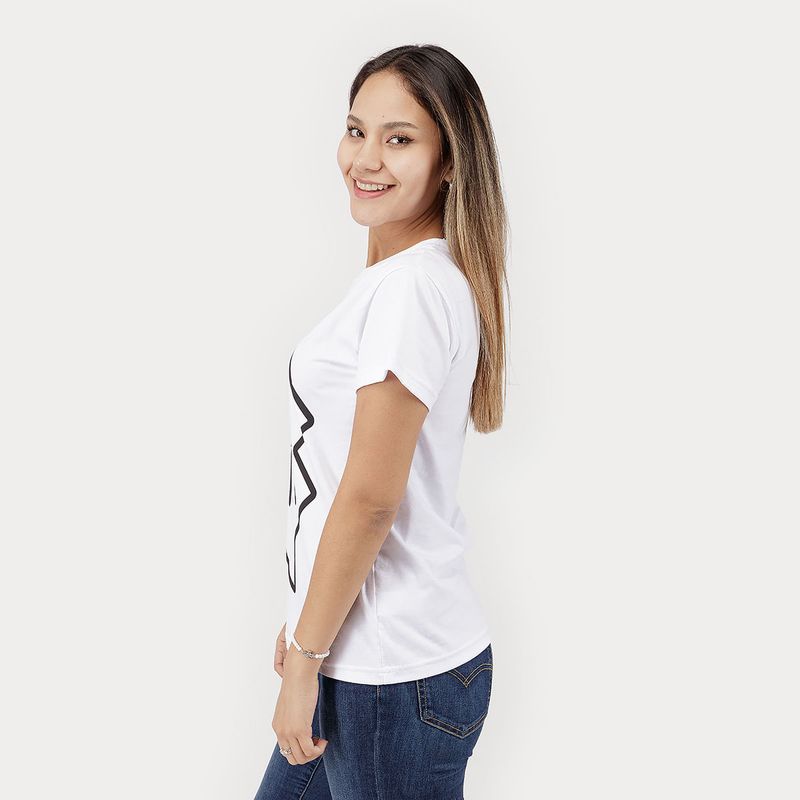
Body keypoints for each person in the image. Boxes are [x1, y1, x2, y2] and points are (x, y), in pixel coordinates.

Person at [254, 43, 509, 800]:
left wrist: (307, 658)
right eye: (356, 130)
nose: (366, 158)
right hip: (366, 660)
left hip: (390, 680)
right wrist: (311, 623)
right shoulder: (405, 280)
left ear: (449, 160)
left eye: (399, 139)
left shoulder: (412, 291)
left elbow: (370, 497)